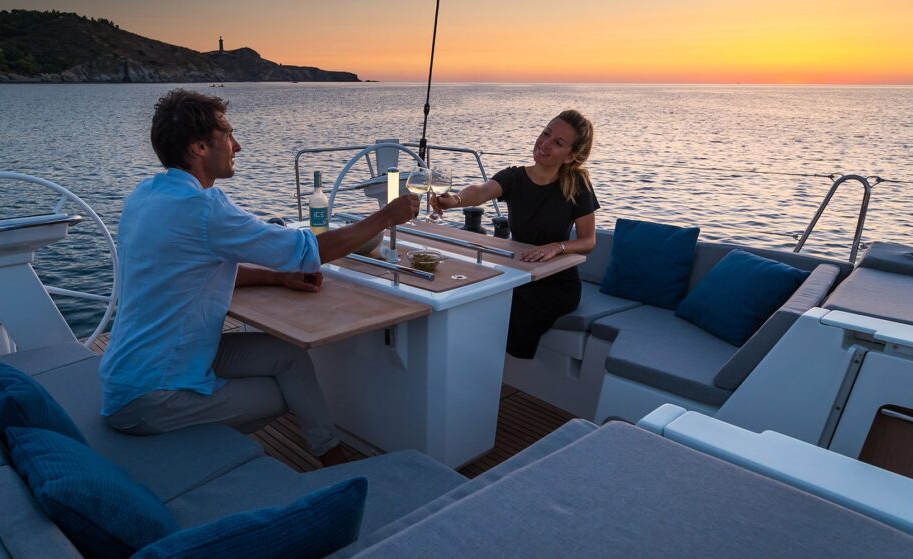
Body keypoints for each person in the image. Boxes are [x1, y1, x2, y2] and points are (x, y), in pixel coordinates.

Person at [99, 89, 419, 466]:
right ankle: (190, 451)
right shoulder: (203, 208)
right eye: (228, 135)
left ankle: (334, 458)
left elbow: (190, 271)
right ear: (200, 147)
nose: (238, 146)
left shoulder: (146, 195)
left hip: (138, 369)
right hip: (153, 395)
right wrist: (385, 217)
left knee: (288, 358)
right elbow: (309, 251)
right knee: (280, 395)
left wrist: (277, 279)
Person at [431, 110, 599, 359]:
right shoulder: (515, 177)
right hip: (518, 272)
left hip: (556, 283)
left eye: (558, 143)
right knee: (470, 294)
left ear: (570, 156)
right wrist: (454, 200)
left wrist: (557, 247)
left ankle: (487, 371)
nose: (545, 143)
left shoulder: (577, 185)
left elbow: (588, 241)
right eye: (546, 133)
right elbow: (481, 191)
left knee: (503, 305)